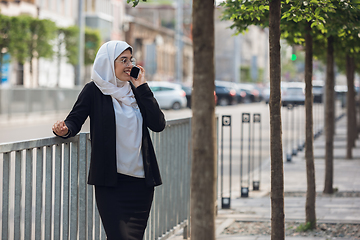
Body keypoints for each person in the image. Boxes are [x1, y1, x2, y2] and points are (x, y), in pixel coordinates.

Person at [52, 40, 166, 240]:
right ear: (108, 63)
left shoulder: (136, 92)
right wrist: (63, 130)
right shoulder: (94, 90)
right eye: (123, 60)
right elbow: (74, 120)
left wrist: (142, 87)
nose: (129, 65)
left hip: (141, 184)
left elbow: (158, 124)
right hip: (112, 184)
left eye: (131, 59)